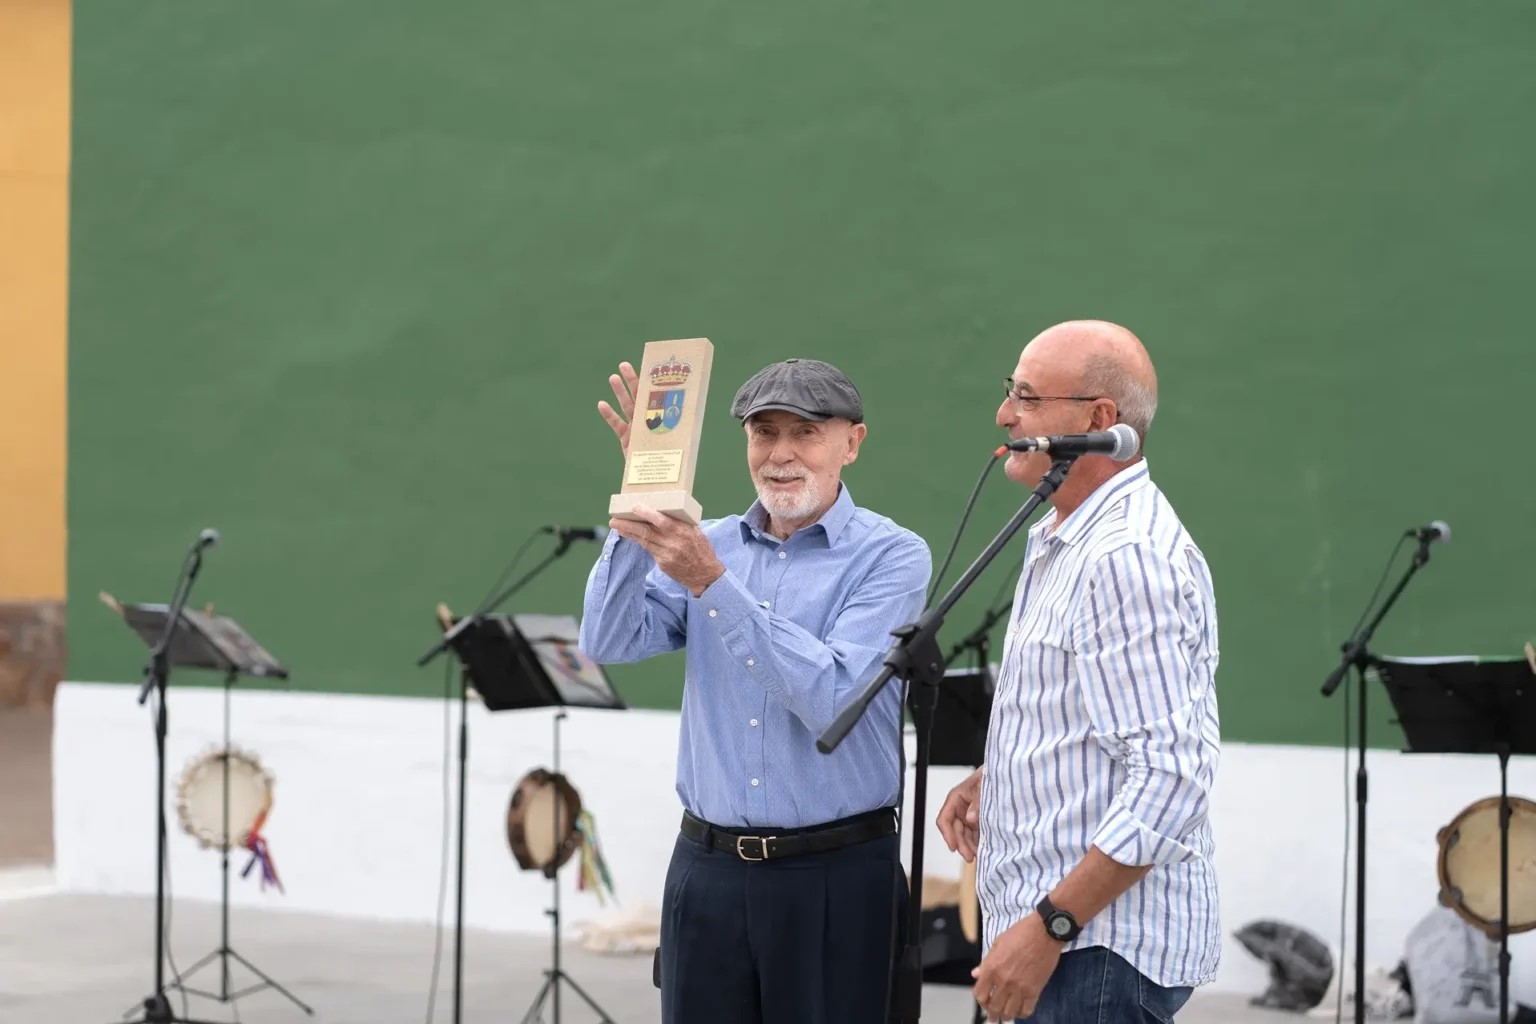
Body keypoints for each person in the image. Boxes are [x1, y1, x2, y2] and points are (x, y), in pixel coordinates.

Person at [579, 356, 932, 1024]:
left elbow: (832, 696)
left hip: (836, 873)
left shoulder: (891, 556)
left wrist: (713, 583)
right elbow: (609, 642)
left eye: (805, 432)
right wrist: (638, 503)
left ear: (851, 443)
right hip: (707, 873)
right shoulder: (708, 543)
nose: (781, 454)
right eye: (763, 433)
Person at [936, 320, 1221, 1023]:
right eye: (1012, 393)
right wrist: (999, 777)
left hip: (1092, 957)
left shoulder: (1123, 556)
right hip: (1074, 953)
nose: (1005, 415)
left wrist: (1049, 929)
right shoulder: (1069, 534)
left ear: (1100, 421)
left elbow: (1171, 775)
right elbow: (1096, 725)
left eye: (1027, 397)